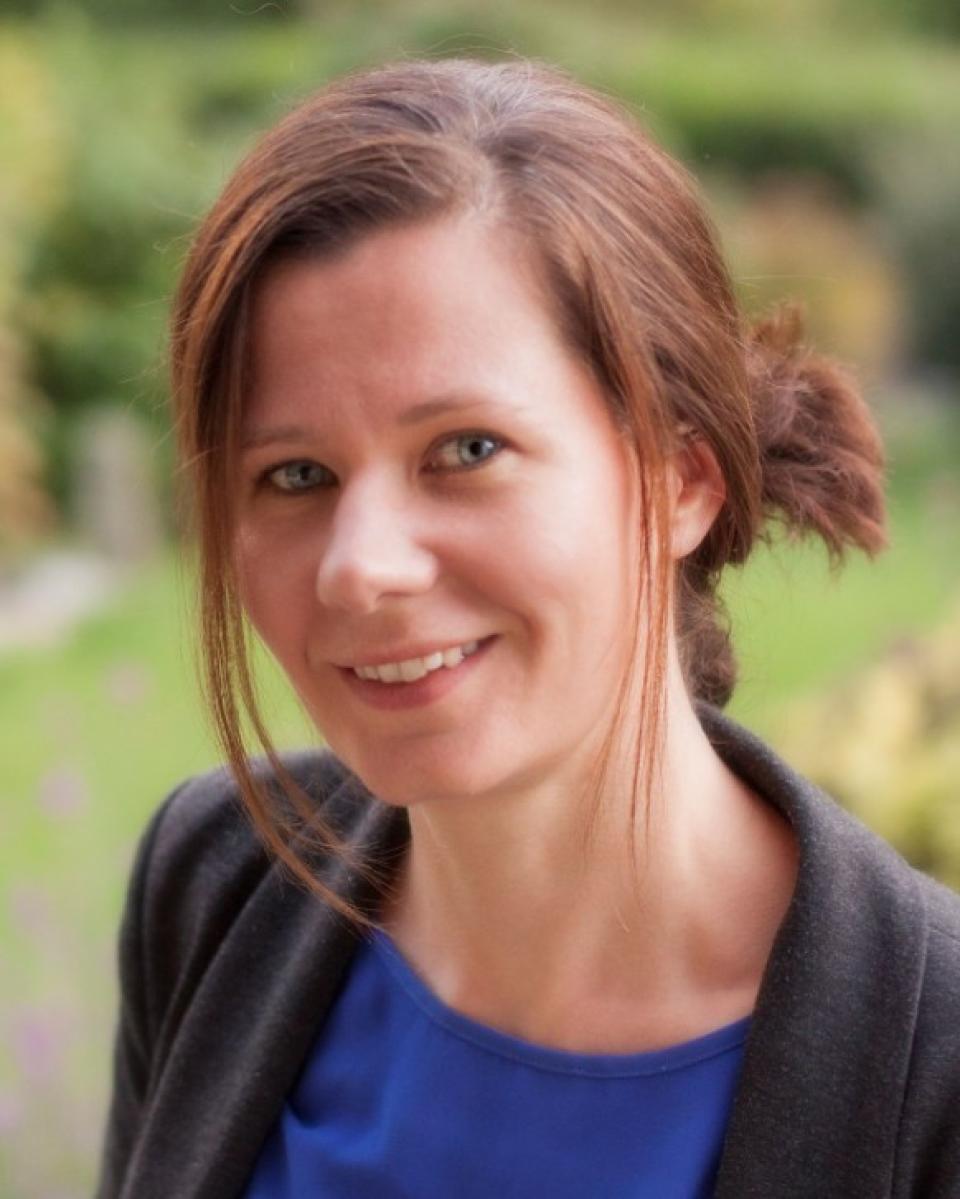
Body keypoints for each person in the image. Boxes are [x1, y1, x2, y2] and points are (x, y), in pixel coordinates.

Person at [96, 57, 960, 1199]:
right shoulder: (218, 879)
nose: (361, 566)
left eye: (464, 450)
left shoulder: (933, 1063)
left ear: (684, 479)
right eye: (295, 473)